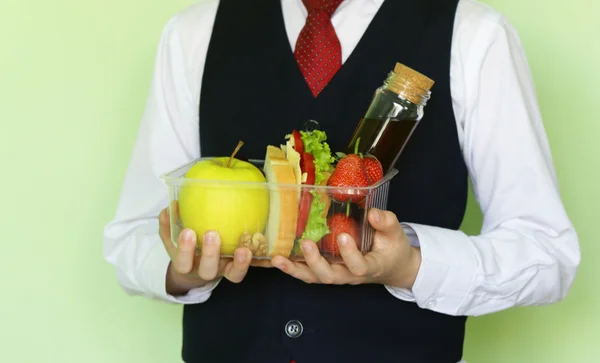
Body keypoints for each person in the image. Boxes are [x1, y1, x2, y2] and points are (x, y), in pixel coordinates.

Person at [103, 0, 581, 362]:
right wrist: (182, 272)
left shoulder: (475, 35)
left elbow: (546, 252)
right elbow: (132, 239)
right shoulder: (193, 32)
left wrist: (410, 266)